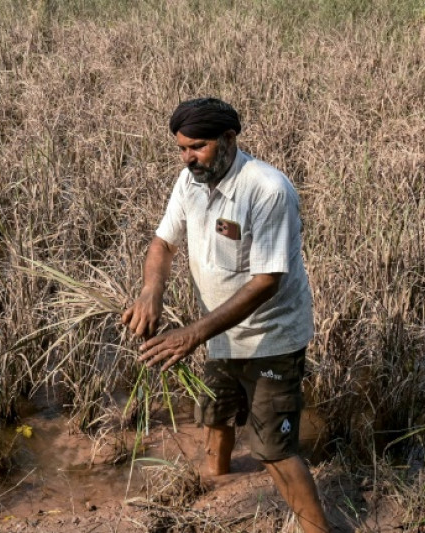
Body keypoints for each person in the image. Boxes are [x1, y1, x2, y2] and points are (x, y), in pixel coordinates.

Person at [121, 97, 330, 533]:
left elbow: (267, 281)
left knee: (273, 449)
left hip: (271, 339)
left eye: (198, 147)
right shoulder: (190, 181)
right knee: (214, 416)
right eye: (182, 148)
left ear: (229, 138)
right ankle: (219, 492)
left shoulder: (267, 189)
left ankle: (316, 529)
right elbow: (163, 244)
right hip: (218, 333)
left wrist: (192, 334)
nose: (188, 158)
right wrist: (150, 291)